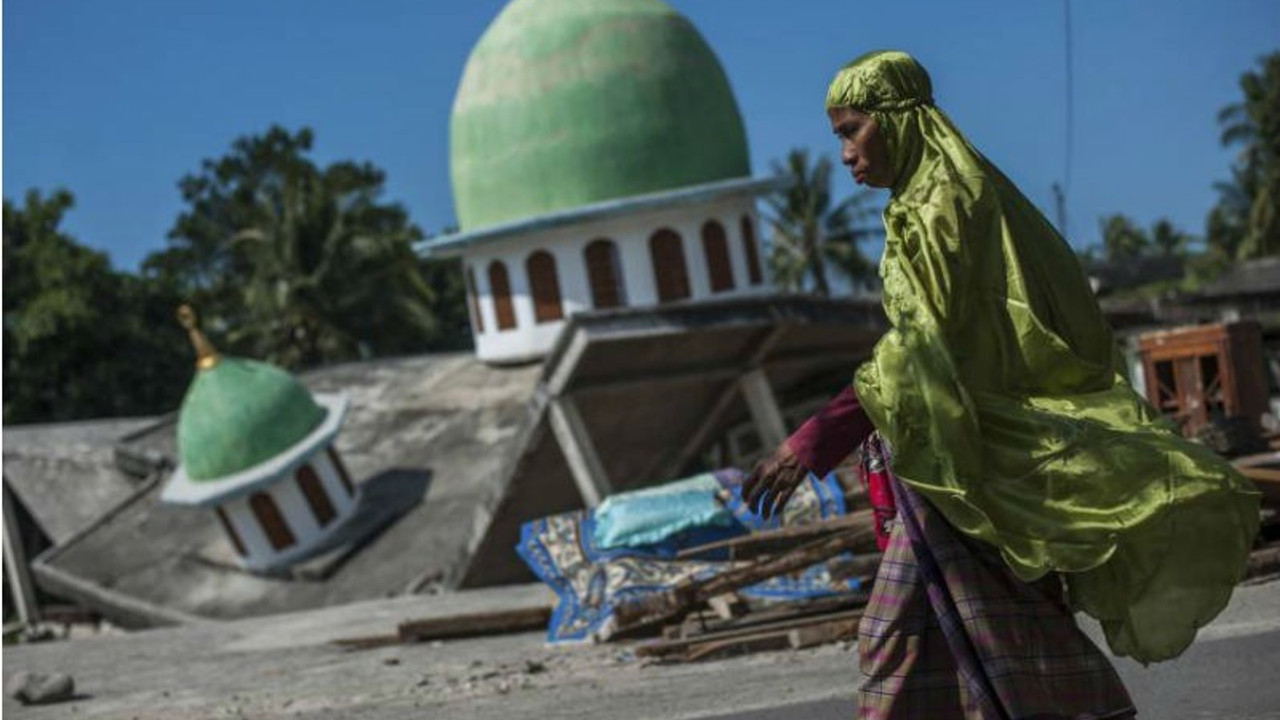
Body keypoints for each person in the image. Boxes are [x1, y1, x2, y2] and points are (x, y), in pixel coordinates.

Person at [742, 50, 1260, 719]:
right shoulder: (937, 197)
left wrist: (810, 442)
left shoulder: (939, 205)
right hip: (961, 461)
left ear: (896, 119)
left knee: (902, 637)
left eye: (852, 130)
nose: (845, 155)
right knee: (993, 632)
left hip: (968, 466)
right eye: (839, 136)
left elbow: (917, 353)